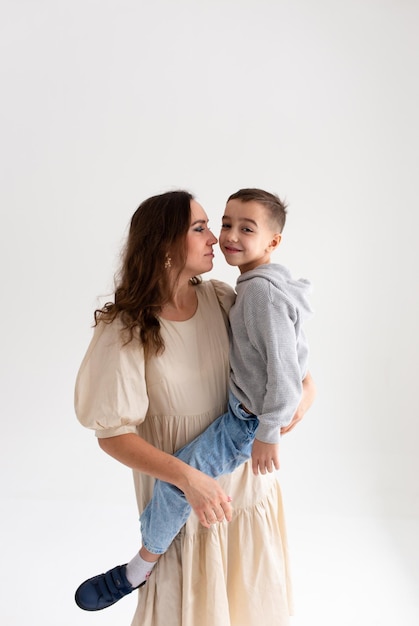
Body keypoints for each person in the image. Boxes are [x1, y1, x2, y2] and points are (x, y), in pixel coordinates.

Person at [74, 189, 315, 626]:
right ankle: (137, 570)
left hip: (244, 495)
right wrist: (189, 479)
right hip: (184, 507)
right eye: (201, 228)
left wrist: (302, 397)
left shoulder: (221, 298)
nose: (216, 239)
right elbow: (113, 436)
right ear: (165, 245)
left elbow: (285, 356)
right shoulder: (124, 328)